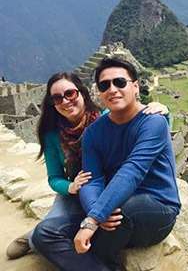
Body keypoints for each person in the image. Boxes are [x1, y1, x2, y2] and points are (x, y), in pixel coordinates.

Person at [31, 58, 180, 270]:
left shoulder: (153, 122)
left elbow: (132, 171)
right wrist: (96, 211)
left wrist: (92, 220)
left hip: (154, 209)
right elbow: (92, 178)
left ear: (135, 86)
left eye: (120, 82)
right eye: (104, 85)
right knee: (45, 232)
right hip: (111, 208)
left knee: (124, 208)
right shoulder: (94, 131)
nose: (112, 89)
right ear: (98, 92)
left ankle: (95, 257)